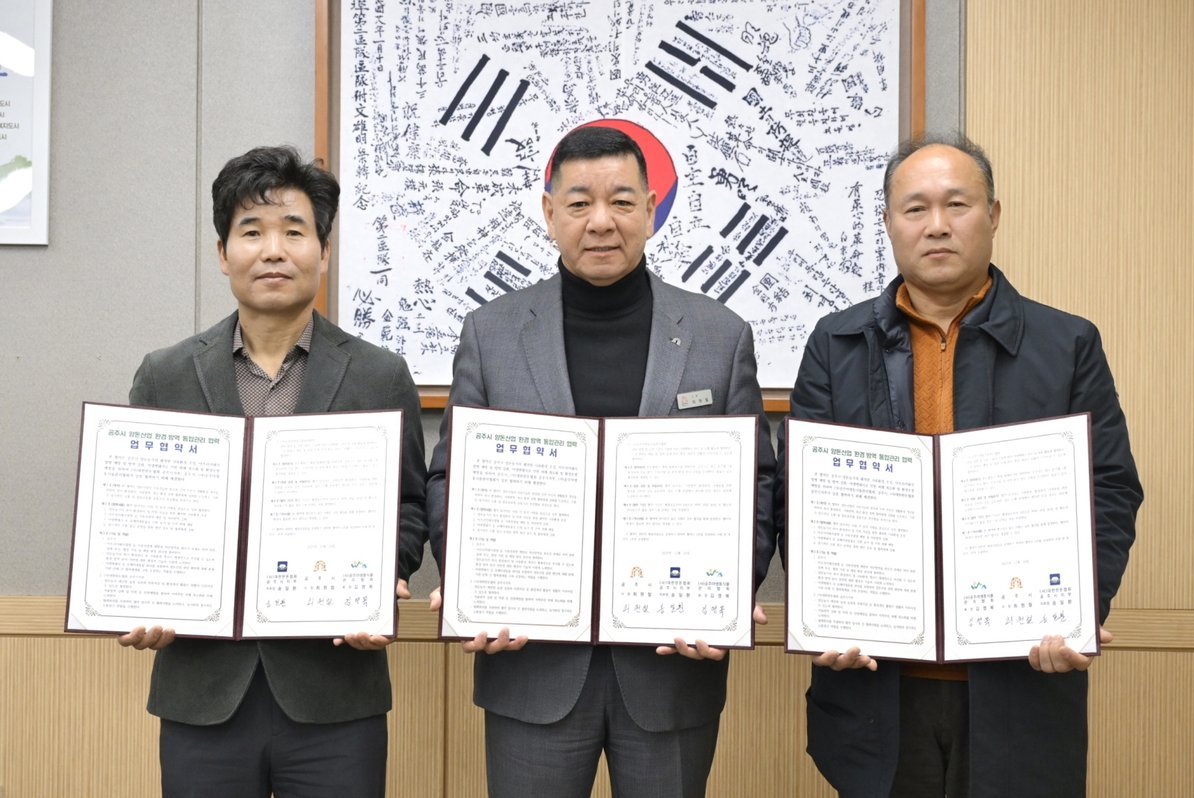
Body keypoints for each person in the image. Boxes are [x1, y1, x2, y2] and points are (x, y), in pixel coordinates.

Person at [776, 134, 1142, 797]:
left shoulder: (1067, 343)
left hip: (1019, 681)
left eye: (957, 204)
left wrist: (1077, 611)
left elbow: (1109, 488)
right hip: (876, 686)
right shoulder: (836, 343)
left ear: (993, 215)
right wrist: (824, 614)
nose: (937, 225)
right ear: (889, 223)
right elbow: (800, 498)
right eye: (915, 208)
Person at [425, 125, 778, 798]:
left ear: (651, 208)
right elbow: (451, 475)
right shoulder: (491, 333)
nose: (601, 221)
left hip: (673, 666)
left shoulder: (720, 336)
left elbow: (757, 482)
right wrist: (471, 585)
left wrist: (728, 595)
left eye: (620, 201)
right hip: (531, 662)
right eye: (580, 202)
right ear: (549, 211)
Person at [117, 145, 428, 797]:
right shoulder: (166, 374)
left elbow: (407, 506)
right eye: (252, 232)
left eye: (294, 231)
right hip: (203, 692)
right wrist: (141, 595)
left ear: (324, 250)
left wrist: (382, 579)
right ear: (223, 252)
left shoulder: (378, 374)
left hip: (335, 692)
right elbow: (140, 513)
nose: (273, 251)